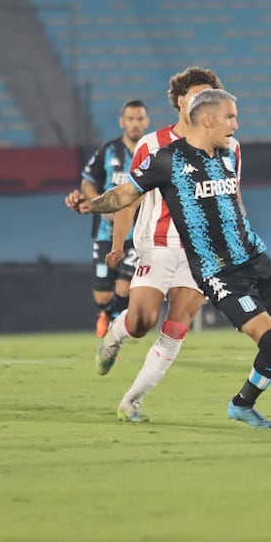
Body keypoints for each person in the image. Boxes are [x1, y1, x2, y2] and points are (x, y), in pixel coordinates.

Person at [67, 88, 271, 433]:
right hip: (209, 267)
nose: (236, 124)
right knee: (261, 338)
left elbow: (234, 200)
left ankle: (242, 404)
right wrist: (92, 204)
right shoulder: (164, 157)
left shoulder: (230, 153)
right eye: (230, 117)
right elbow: (125, 194)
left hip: (253, 256)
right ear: (205, 117)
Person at [72, 66, 223, 423]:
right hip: (155, 245)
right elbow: (130, 197)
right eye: (196, 96)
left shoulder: (226, 147)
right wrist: (117, 243)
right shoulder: (152, 145)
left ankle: (131, 401)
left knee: (176, 327)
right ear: (181, 101)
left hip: (198, 252)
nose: (203, 103)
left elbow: (228, 200)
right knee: (142, 321)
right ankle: (114, 335)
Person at [80, 99, 149, 337]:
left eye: (140, 119)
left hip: (138, 232)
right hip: (105, 232)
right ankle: (107, 314)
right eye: (130, 119)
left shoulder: (152, 151)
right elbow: (87, 182)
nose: (135, 124)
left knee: (125, 284)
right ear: (122, 122)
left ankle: (114, 334)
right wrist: (100, 204)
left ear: (146, 121)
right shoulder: (107, 150)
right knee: (103, 294)